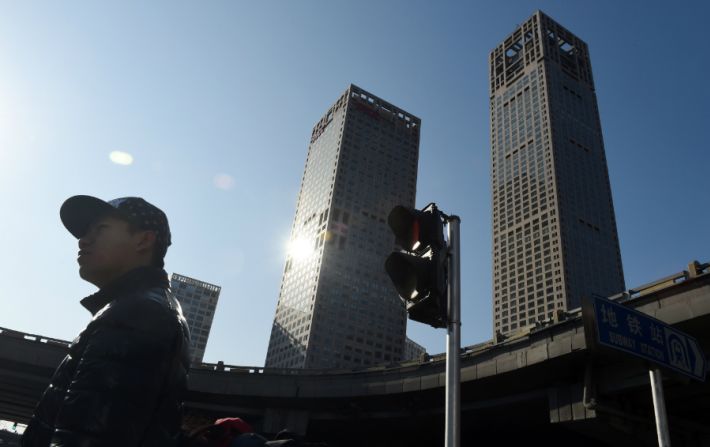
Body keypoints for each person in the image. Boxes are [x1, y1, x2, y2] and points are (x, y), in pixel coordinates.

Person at [21, 195, 191, 447]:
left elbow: (88, 437)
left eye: (100, 229)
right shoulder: (144, 307)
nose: (83, 240)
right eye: (85, 232)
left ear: (143, 240)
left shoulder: (136, 313)